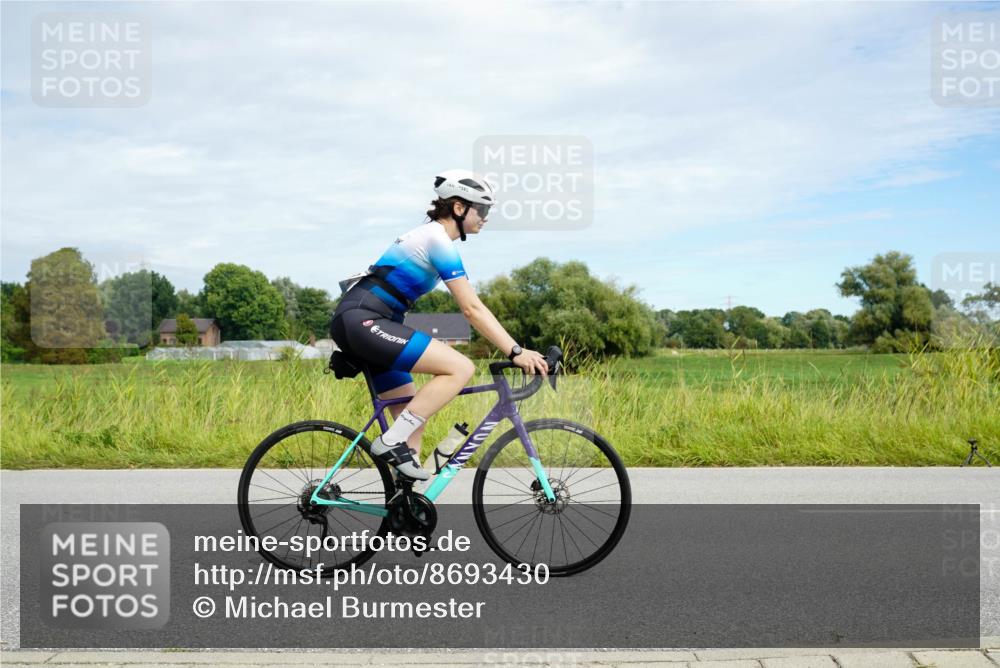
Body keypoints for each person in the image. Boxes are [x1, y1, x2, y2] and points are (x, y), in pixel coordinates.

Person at [329, 170, 549, 480]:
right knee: (460, 368)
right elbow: (472, 309)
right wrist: (515, 351)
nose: (486, 217)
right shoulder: (437, 241)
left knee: (413, 420)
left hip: (369, 322)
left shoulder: (431, 239)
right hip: (363, 320)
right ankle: (389, 442)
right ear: (459, 208)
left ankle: (403, 513)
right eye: (482, 209)